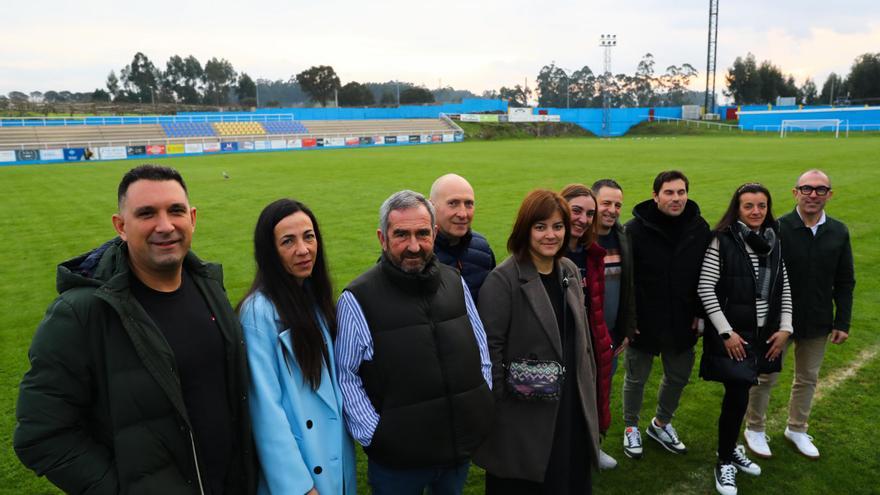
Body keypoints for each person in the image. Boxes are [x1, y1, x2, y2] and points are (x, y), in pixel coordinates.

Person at [14, 165, 256, 494]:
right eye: (146, 213)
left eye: (176, 211)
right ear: (121, 226)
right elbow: (41, 435)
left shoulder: (209, 286)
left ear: (193, 218)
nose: (165, 225)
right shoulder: (80, 313)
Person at [335, 190, 493, 495]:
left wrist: (480, 400)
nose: (413, 246)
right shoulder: (358, 298)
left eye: (422, 233)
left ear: (434, 233)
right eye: (401, 235)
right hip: (398, 463)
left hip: (455, 450)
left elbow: (480, 345)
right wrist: (375, 434)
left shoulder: (453, 281)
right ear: (382, 238)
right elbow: (345, 375)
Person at [475, 189, 600, 494]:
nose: (551, 235)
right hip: (525, 418)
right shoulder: (502, 280)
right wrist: (505, 414)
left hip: (571, 406)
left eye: (558, 226)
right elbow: (490, 355)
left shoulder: (568, 270)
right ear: (525, 229)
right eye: (540, 226)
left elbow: (581, 340)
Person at [238, 199, 356, 494]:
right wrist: (300, 487)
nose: (303, 250)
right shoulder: (258, 313)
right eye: (288, 241)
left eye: (309, 236)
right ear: (270, 252)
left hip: (330, 459)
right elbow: (265, 409)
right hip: (301, 475)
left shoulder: (314, 300)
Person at [743, 170, 855, 459]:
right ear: (795, 193)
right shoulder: (778, 229)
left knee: (807, 377)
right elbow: (763, 279)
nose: (813, 194)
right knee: (765, 376)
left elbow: (845, 280)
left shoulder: (839, 231)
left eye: (820, 190)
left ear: (830, 195)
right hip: (778, 322)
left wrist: (842, 320)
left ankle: (797, 428)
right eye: (806, 188)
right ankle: (754, 428)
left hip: (818, 320)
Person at [698, 183, 793, 495]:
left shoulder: (773, 239)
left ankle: (729, 449)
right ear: (736, 209)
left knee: (743, 394)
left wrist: (786, 327)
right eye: (748, 206)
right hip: (734, 334)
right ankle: (724, 460)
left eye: (761, 206)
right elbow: (706, 288)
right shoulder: (722, 240)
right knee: (738, 395)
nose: (756, 212)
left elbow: (785, 286)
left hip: (765, 333)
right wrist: (726, 332)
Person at [621, 171, 712, 459]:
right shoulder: (633, 229)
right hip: (644, 321)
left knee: (678, 376)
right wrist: (629, 320)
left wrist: (700, 313)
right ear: (655, 195)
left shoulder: (699, 227)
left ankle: (661, 423)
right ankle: (630, 427)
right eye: (669, 192)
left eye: (681, 192)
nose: (676, 198)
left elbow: (706, 276)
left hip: (683, 319)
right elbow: (627, 280)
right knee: (636, 378)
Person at [561, 183, 616, 470]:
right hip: (559, 342)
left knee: (594, 393)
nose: (583, 219)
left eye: (589, 214)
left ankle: (592, 444)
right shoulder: (548, 251)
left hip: (591, 337)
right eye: (576, 211)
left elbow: (597, 300)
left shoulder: (592, 254)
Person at [591, 179, 637, 368]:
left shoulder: (623, 237)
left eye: (617, 205)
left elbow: (629, 286)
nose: (613, 210)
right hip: (583, 336)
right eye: (606, 203)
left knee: (604, 393)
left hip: (611, 335)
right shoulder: (578, 240)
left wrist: (627, 329)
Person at [430, 173, 496, 303]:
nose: (462, 213)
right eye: (453, 203)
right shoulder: (415, 254)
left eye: (469, 204)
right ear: (431, 207)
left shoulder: (483, 249)